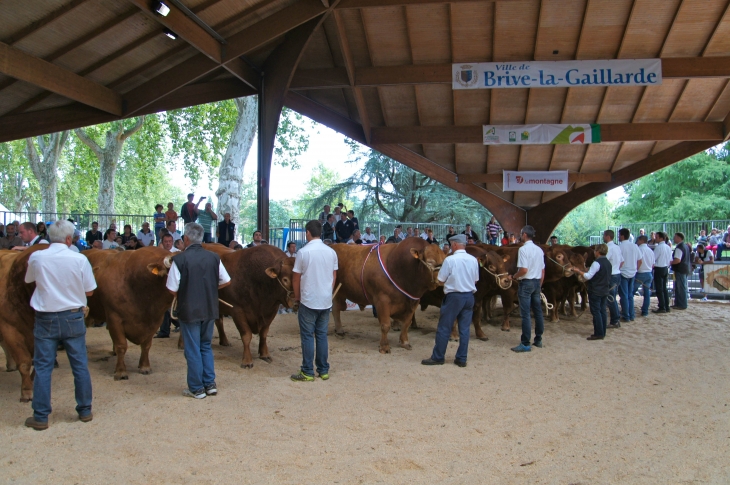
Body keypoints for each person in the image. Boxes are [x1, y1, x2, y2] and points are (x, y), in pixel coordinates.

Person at [23, 220, 97, 430]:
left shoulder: (37, 256)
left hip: (45, 317)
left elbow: (30, 280)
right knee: (79, 365)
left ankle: (41, 416)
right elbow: (90, 291)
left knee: (43, 366)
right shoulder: (79, 259)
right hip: (73, 316)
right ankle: (84, 410)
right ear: (68, 239)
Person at [166, 223, 231, 398]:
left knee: (193, 348)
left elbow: (172, 289)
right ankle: (210, 384)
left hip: (189, 309)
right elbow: (226, 281)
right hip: (209, 307)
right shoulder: (214, 257)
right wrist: (209, 288)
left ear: (186, 239)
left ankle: (196, 388)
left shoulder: (179, 259)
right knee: (205, 346)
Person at [421, 234, 479, 367]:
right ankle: (461, 358)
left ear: (454, 245)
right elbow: (475, 280)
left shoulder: (450, 260)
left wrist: (447, 283)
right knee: (464, 329)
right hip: (469, 296)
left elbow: (440, 280)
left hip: (454, 297)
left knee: (444, 327)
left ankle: (438, 357)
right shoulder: (473, 260)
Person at [290, 220, 338, 382]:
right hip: (325, 300)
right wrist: (327, 291)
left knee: (307, 336)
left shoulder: (303, 252)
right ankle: (323, 370)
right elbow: (334, 276)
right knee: (322, 335)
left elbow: (295, 279)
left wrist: (297, 297)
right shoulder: (331, 252)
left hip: (308, 300)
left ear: (308, 233)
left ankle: (307, 371)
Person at [511, 225, 545, 353]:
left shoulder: (523, 250)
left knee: (525, 314)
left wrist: (514, 276)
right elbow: (542, 270)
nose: (520, 235)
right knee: (538, 312)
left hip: (526, 283)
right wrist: (539, 285)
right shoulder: (539, 250)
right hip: (536, 282)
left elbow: (523, 270)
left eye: (521, 233)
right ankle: (538, 339)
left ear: (524, 234)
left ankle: (525, 343)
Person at [572, 244, 611, 340]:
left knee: (596, 311)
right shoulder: (608, 263)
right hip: (604, 290)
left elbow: (588, 276)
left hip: (596, 290)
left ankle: (598, 333)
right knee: (602, 311)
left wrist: (578, 271)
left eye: (595, 250)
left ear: (598, 251)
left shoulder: (597, 263)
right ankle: (603, 332)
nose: (594, 252)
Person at [154, 233, 181, 339]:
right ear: (162, 242)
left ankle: (167, 330)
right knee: (165, 307)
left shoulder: (177, 253)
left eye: (170, 241)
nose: (168, 243)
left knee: (170, 307)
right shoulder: (158, 253)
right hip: (162, 283)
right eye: (166, 241)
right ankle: (166, 329)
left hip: (174, 282)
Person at [617, 228, 642, 323]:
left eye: (619, 235)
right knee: (630, 295)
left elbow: (619, 261)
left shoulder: (620, 247)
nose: (618, 237)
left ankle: (626, 315)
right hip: (633, 273)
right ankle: (631, 315)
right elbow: (640, 260)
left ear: (622, 236)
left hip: (623, 273)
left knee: (624, 295)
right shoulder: (635, 246)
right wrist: (635, 269)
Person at [603, 230, 624, 329]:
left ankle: (615, 320)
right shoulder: (617, 247)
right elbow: (622, 261)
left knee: (610, 299)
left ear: (607, 236)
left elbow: (603, 262)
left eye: (604, 235)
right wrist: (616, 268)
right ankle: (616, 319)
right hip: (617, 274)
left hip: (611, 276)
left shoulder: (608, 248)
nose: (603, 237)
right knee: (613, 298)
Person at [651, 232, 672, 314]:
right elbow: (670, 259)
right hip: (665, 268)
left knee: (659, 289)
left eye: (656, 237)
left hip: (659, 268)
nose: (655, 238)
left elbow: (654, 259)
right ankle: (667, 306)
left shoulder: (658, 247)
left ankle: (662, 306)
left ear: (661, 238)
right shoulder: (668, 247)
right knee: (664, 288)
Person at [635, 235, 655, 317]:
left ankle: (628, 310)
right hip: (649, 273)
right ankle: (645, 311)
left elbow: (638, 262)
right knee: (647, 293)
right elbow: (653, 264)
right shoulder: (650, 251)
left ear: (641, 240)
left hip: (640, 273)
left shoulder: (638, 250)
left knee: (631, 292)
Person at [671, 232, 691, 310]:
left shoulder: (679, 247)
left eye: (675, 237)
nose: (674, 238)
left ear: (679, 238)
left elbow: (677, 260)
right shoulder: (685, 246)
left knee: (680, 287)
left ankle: (682, 304)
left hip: (680, 269)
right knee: (681, 287)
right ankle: (679, 303)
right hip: (684, 268)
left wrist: (670, 262)